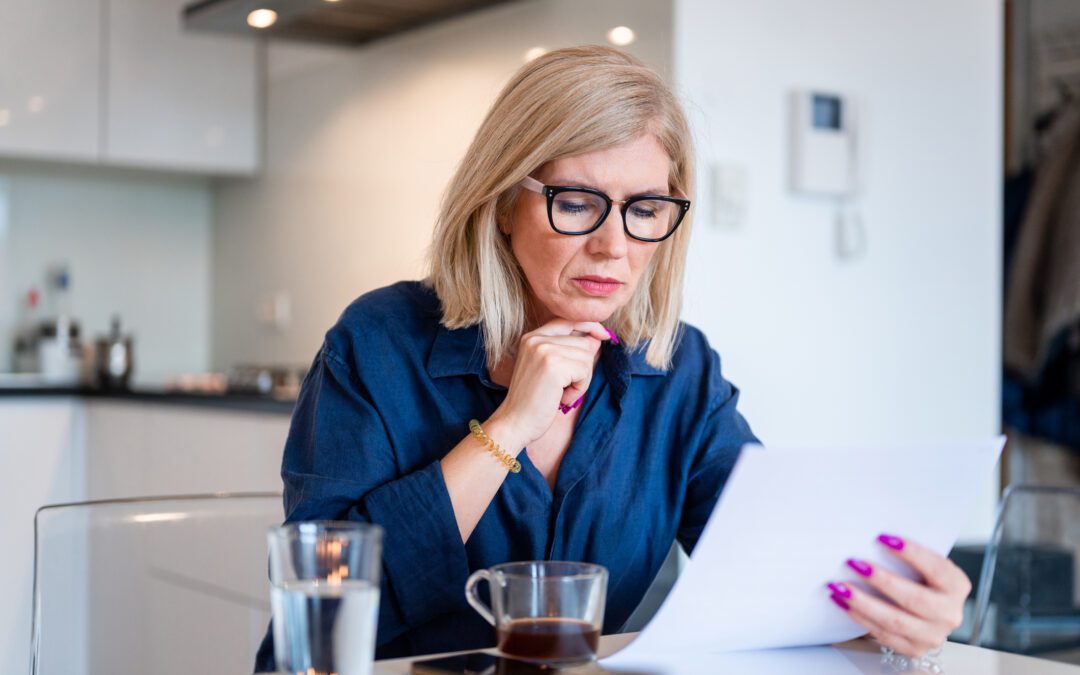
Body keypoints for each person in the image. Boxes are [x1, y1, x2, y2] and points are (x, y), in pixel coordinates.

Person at [255, 45, 970, 669]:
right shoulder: (380, 341)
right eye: (575, 202)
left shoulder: (678, 370)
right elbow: (324, 607)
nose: (614, 245)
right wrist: (507, 427)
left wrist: (898, 612)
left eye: (645, 208)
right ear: (504, 202)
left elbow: (771, 576)